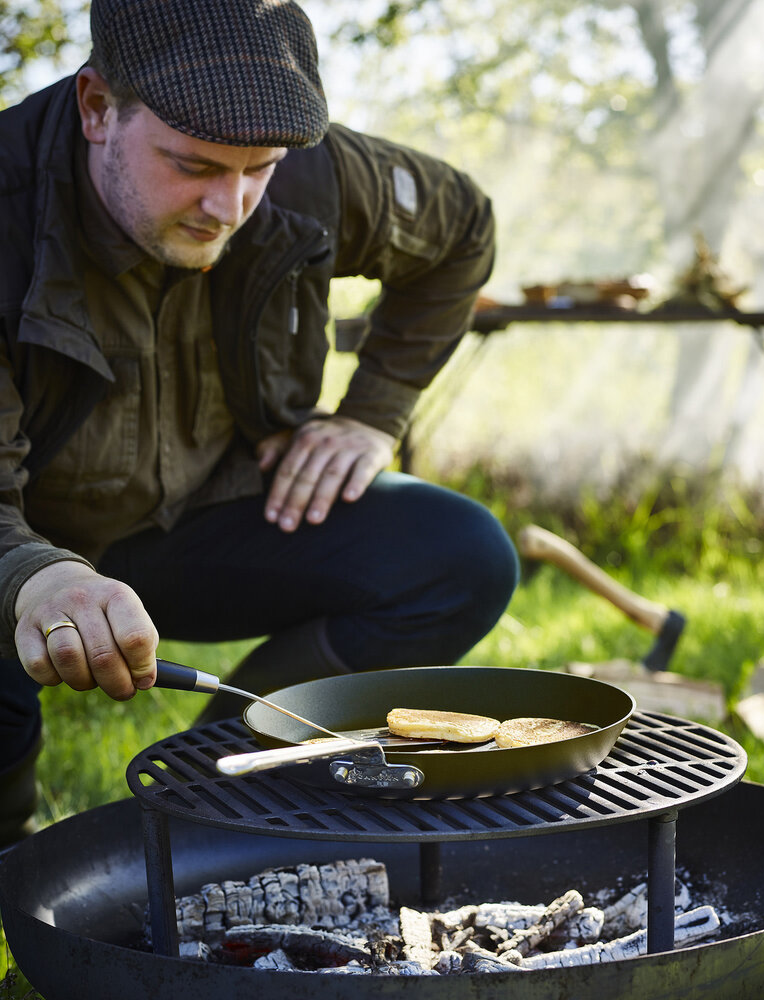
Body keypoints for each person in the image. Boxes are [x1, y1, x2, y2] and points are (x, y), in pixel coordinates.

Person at [0, 0, 520, 845]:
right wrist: (37, 576)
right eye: (193, 165)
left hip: (205, 520)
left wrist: (372, 416)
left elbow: (462, 229)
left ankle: (220, 782)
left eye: (258, 169)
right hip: (24, 554)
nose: (230, 204)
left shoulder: (312, 173)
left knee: (458, 556)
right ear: (98, 108)